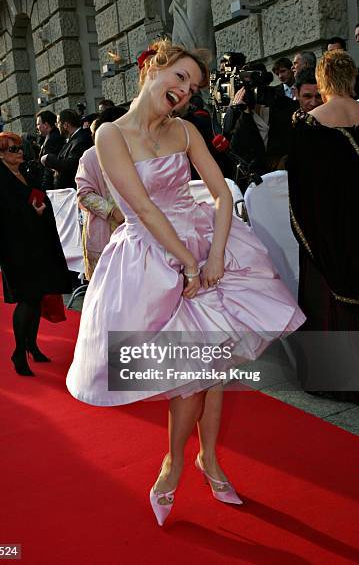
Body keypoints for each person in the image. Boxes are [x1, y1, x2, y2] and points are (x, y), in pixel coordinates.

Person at [66, 39, 305, 525]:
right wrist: (189, 265)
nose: (185, 91)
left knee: (211, 369)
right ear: (154, 68)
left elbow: (221, 194)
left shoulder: (185, 131)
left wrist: (214, 254)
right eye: (179, 77)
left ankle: (204, 459)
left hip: (201, 246)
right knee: (189, 374)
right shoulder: (109, 135)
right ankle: (177, 464)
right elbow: (144, 209)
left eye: (193, 87)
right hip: (150, 259)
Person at [288, 50, 359, 402]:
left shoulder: (309, 123)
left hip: (328, 224)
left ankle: (337, 377)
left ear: (323, 80)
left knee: (327, 296)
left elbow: (300, 186)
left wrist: (304, 228)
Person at [0, 132, 72, 377]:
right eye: (13, 149)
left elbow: (41, 196)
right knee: (28, 299)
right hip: (16, 248)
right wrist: (33, 211)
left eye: (20, 147)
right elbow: (3, 216)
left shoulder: (27, 173)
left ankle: (32, 345)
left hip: (38, 244)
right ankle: (19, 351)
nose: (20, 152)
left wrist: (41, 209)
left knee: (37, 296)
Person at [76, 106, 126, 280]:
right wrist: (112, 210)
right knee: (107, 286)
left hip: (136, 229)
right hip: (105, 230)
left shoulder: (136, 151)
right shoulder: (90, 156)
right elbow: (84, 194)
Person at [42, 109, 93, 189]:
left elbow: (71, 165)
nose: (57, 126)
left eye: (58, 123)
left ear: (66, 125)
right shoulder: (73, 139)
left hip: (75, 190)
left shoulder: (81, 140)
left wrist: (48, 158)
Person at [36, 110, 66, 190]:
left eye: (38, 124)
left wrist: (44, 190)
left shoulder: (52, 139)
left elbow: (49, 167)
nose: (37, 127)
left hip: (53, 186)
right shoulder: (53, 136)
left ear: (46, 125)